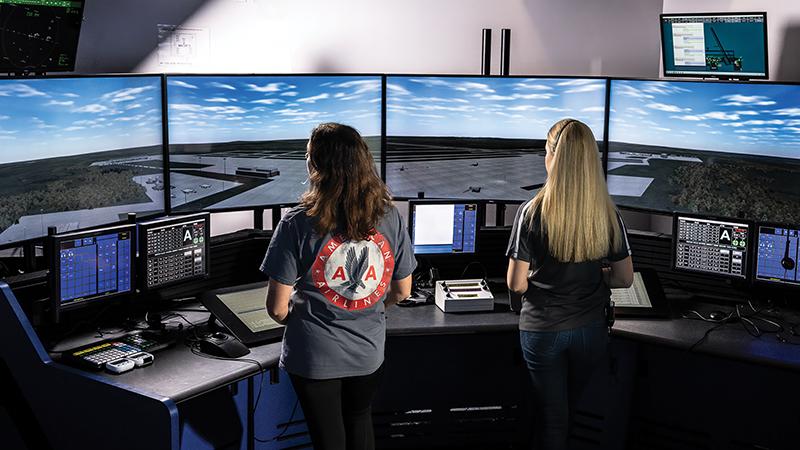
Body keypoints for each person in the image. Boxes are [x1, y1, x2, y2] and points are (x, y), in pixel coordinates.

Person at [261, 122, 415, 450]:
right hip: (367, 353)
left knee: (328, 438)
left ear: (316, 165)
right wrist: (370, 306)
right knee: (360, 421)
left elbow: (276, 308)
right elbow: (403, 290)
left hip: (315, 355)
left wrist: (308, 320)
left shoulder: (297, 222)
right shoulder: (389, 215)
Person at [506, 119, 633, 450]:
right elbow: (624, 278)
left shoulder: (531, 212)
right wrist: (596, 276)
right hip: (591, 332)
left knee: (551, 419)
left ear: (551, 155)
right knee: (568, 411)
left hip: (543, 329)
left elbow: (516, 284)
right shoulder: (608, 214)